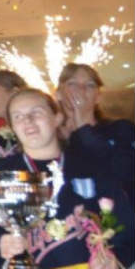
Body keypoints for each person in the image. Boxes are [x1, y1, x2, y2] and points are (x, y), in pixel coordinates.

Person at [0, 89, 134, 268]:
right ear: (12, 128)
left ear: (57, 118)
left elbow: (128, 229)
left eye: (36, 112)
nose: (28, 121)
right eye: (18, 117)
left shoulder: (92, 167)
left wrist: (116, 260)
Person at [55, 63, 135, 201]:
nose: (81, 89)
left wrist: (83, 128)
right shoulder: (51, 137)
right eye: (72, 83)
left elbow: (124, 171)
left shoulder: (120, 129)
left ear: (98, 97)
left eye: (90, 85)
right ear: (58, 94)